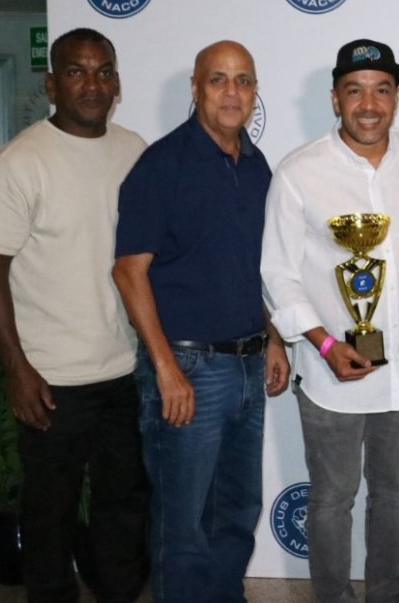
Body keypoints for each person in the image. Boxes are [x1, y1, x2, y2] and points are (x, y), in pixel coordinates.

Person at [261, 39, 399, 603]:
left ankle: (386, 596)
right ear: (335, 98)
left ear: (396, 96)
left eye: (382, 90)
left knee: (396, 496)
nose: (369, 103)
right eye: (355, 90)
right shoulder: (299, 171)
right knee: (332, 499)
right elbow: (278, 272)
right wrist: (320, 344)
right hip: (328, 372)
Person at [0, 27, 149, 603]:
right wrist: (16, 368)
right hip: (52, 381)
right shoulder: (18, 162)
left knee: (123, 511)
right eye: (76, 71)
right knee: (48, 519)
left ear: (117, 83)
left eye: (103, 71)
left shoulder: (134, 151)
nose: (91, 84)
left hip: (124, 372)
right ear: (52, 82)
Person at [112, 40, 290, 603]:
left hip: (247, 364)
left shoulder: (257, 165)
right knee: (182, 527)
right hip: (187, 368)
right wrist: (166, 369)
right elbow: (128, 272)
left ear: (256, 92)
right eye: (219, 80)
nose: (232, 92)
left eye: (243, 80)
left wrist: (275, 336)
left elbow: (244, 269)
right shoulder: (162, 165)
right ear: (196, 88)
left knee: (236, 513)